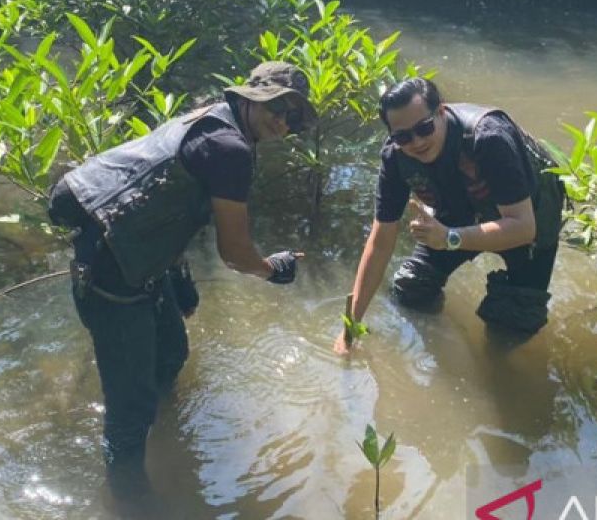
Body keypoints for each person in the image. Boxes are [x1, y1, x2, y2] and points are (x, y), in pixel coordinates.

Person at [48, 61, 317, 469]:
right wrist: (273, 268)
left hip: (137, 258)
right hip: (111, 276)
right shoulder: (231, 149)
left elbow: (163, 205)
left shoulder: (209, 118)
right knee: (130, 414)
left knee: (172, 354)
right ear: (250, 98)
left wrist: (179, 278)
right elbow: (235, 254)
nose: (282, 123)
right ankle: (129, 497)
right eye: (277, 108)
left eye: (293, 118)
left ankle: (167, 446)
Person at [335, 77, 564, 354]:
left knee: (510, 325)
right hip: (459, 213)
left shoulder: (489, 138)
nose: (416, 141)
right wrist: (351, 325)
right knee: (412, 288)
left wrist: (450, 238)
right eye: (403, 136)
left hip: (528, 220)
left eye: (424, 128)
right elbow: (381, 239)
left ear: (441, 113)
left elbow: (523, 227)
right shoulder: (395, 157)